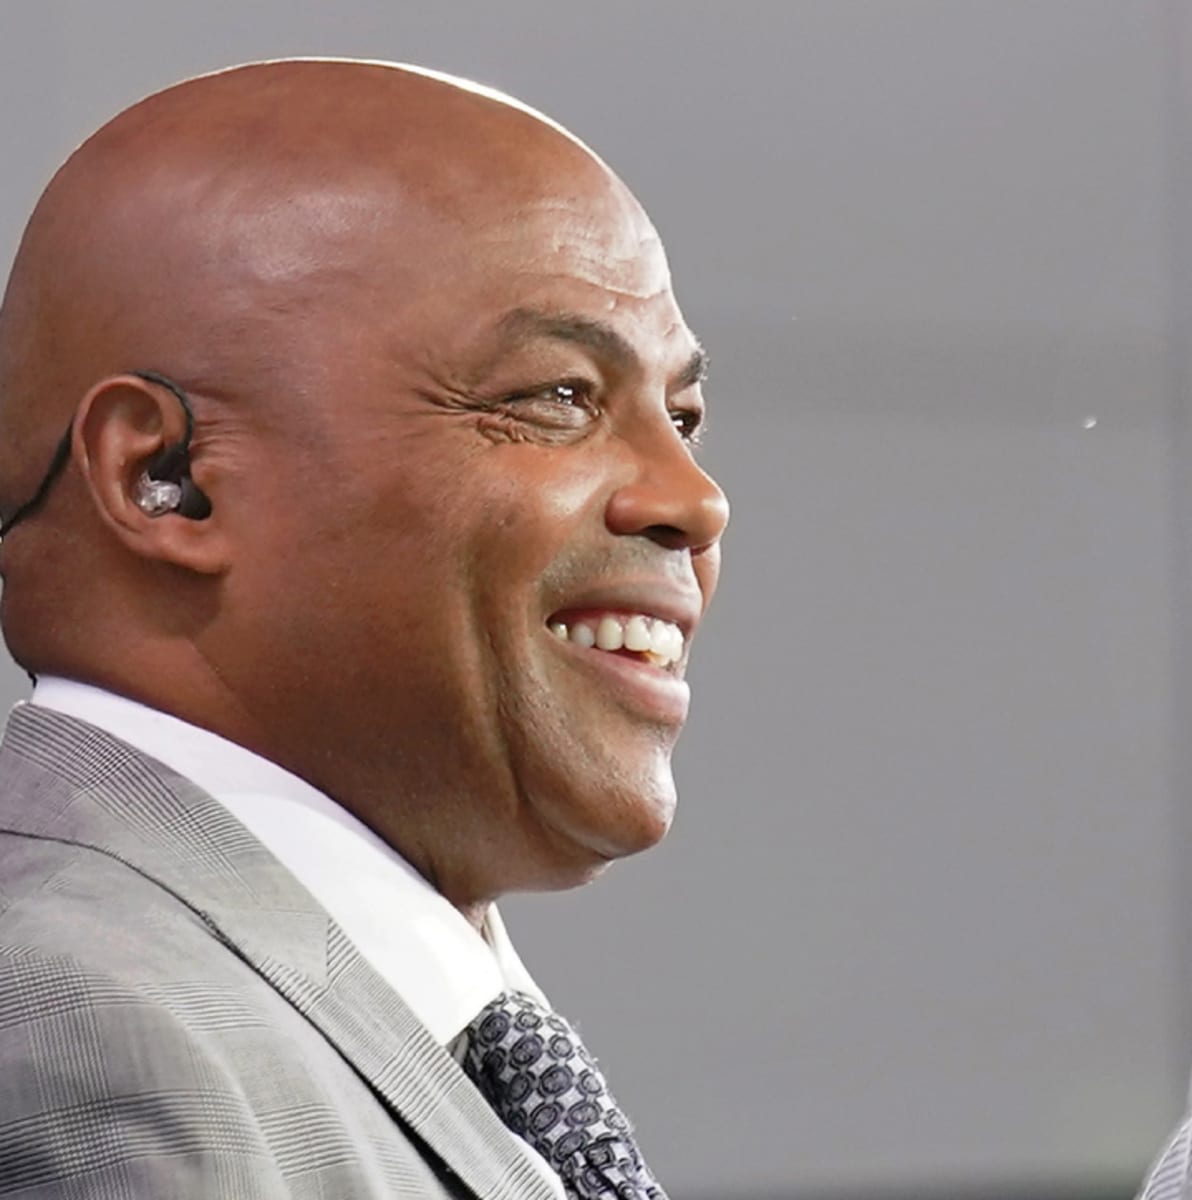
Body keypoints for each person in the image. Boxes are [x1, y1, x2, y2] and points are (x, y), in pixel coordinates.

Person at [0, 59, 728, 1199]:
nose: (693, 499)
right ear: (168, 479)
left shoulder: (318, 1013)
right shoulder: (88, 1036)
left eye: (680, 418)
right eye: (557, 396)